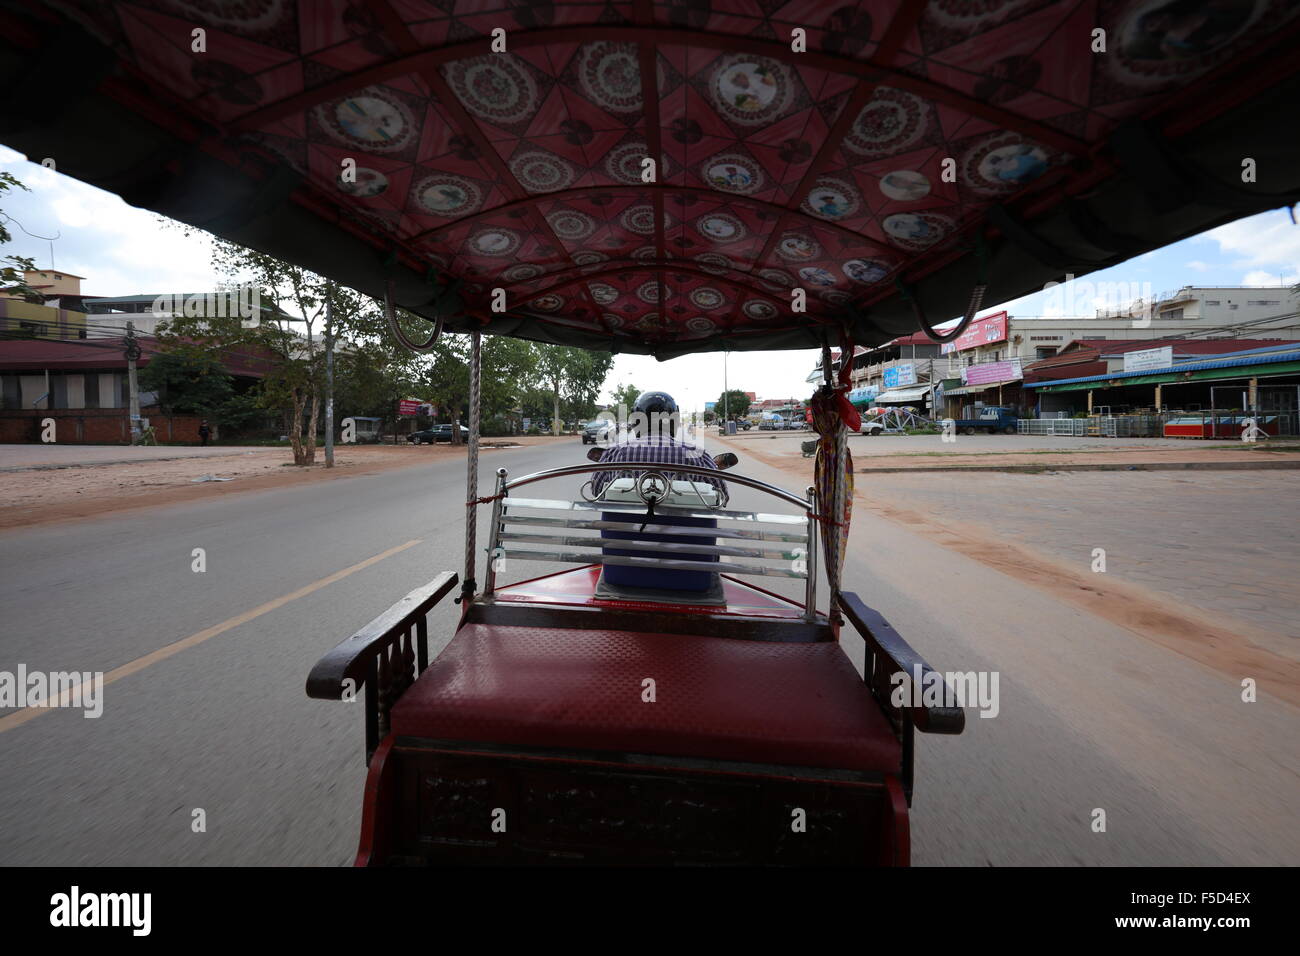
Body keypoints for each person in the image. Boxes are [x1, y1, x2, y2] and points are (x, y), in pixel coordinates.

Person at [590, 391, 728, 504]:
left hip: (621, 534)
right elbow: (722, 496)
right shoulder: (697, 455)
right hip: (689, 536)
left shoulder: (614, 453)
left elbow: (596, 490)